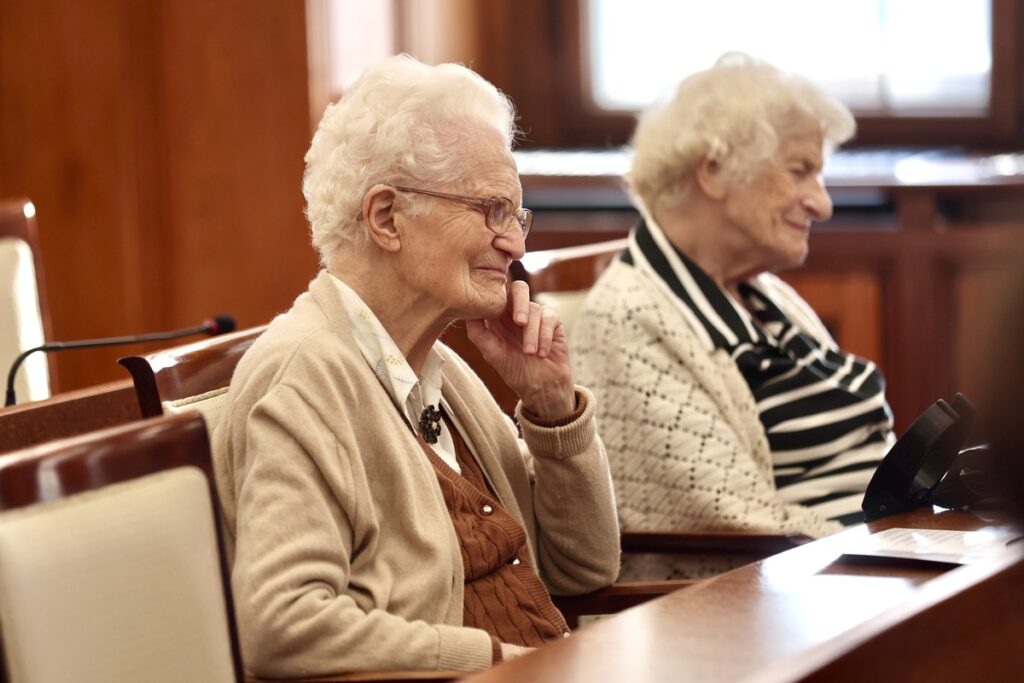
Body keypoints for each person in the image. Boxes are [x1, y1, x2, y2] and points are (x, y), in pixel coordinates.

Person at [212, 55, 620, 677]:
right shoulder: (304, 376)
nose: (515, 243)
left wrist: (552, 408)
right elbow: (282, 626)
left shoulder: (443, 373)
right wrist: (490, 658)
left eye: (516, 215)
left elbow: (584, 568)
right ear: (386, 218)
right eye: (491, 210)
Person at [573, 53, 895, 579]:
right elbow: (735, 523)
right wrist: (899, 545)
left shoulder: (766, 294)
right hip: (783, 603)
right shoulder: (628, 317)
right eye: (800, 171)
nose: (822, 204)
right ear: (715, 172)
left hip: (864, 570)